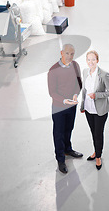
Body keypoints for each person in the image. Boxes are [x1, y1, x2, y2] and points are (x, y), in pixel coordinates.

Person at [48, 44, 83, 174]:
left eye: (72, 54)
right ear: (62, 53)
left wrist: (75, 95)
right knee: (58, 133)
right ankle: (60, 159)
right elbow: (52, 92)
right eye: (67, 53)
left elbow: (79, 83)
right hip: (58, 107)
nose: (69, 56)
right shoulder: (53, 70)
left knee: (69, 128)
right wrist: (64, 101)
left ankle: (68, 149)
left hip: (72, 104)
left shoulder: (75, 66)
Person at [80, 50, 109, 170]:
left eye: (93, 59)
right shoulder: (85, 72)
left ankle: (98, 156)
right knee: (93, 132)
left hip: (100, 111)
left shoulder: (104, 74)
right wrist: (82, 105)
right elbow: (84, 90)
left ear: (97, 60)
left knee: (98, 133)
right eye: (88, 59)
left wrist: (97, 95)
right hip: (89, 109)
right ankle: (96, 151)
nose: (91, 62)